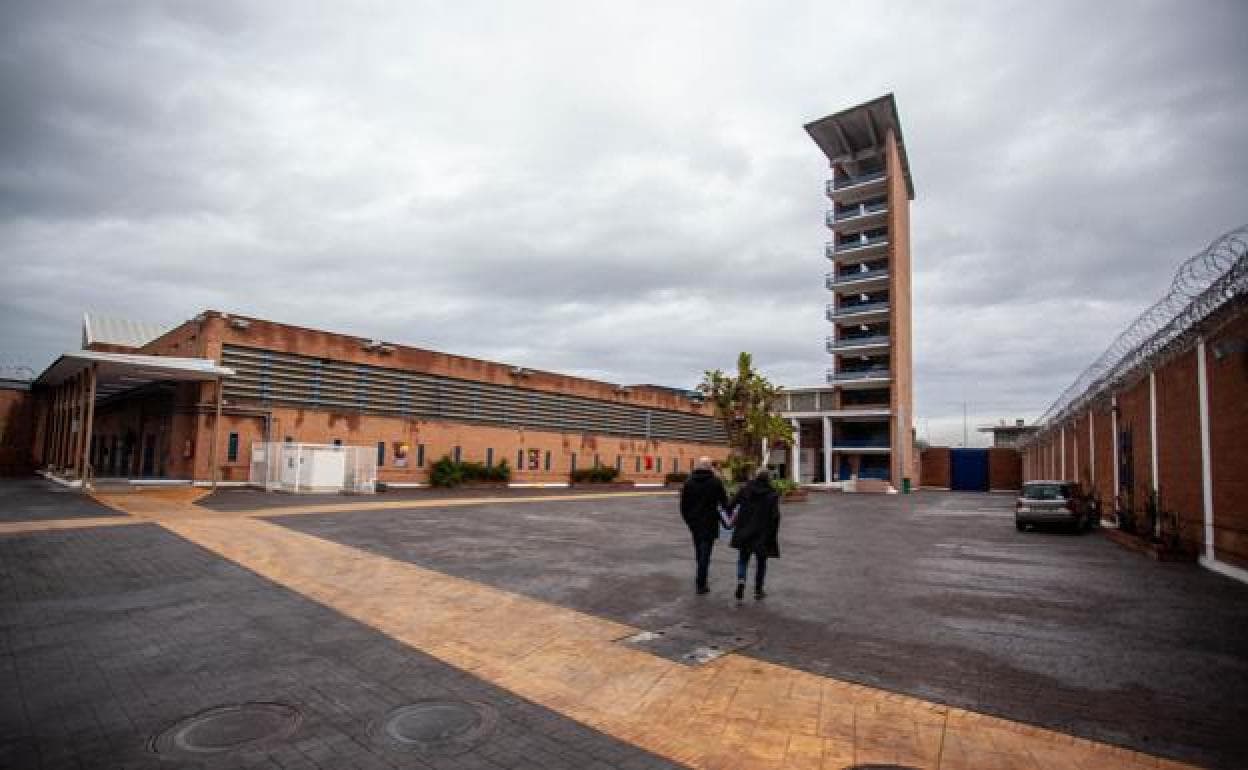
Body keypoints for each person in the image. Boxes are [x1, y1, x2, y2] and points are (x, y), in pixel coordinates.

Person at [728, 467, 781, 600]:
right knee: (761, 563)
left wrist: (735, 518)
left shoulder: (744, 489)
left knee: (743, 560)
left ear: (755, 476)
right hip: (762, 534)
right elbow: (776, 517)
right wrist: (772, 534)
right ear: (768, 478)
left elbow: (730, 505)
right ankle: (758, 590)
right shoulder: (772, 494)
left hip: (745, 531)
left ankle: (741, 581)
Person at [679, 457, 728, 595]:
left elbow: (683, 506)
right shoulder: (715, 482)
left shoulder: (689, 482)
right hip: (710, 522)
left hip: (694, 523)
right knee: (706, 553)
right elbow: (724, 503)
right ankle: (701, 582)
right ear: (709, 467)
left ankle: (700, 577)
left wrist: (689, 521)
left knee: (699, 551)